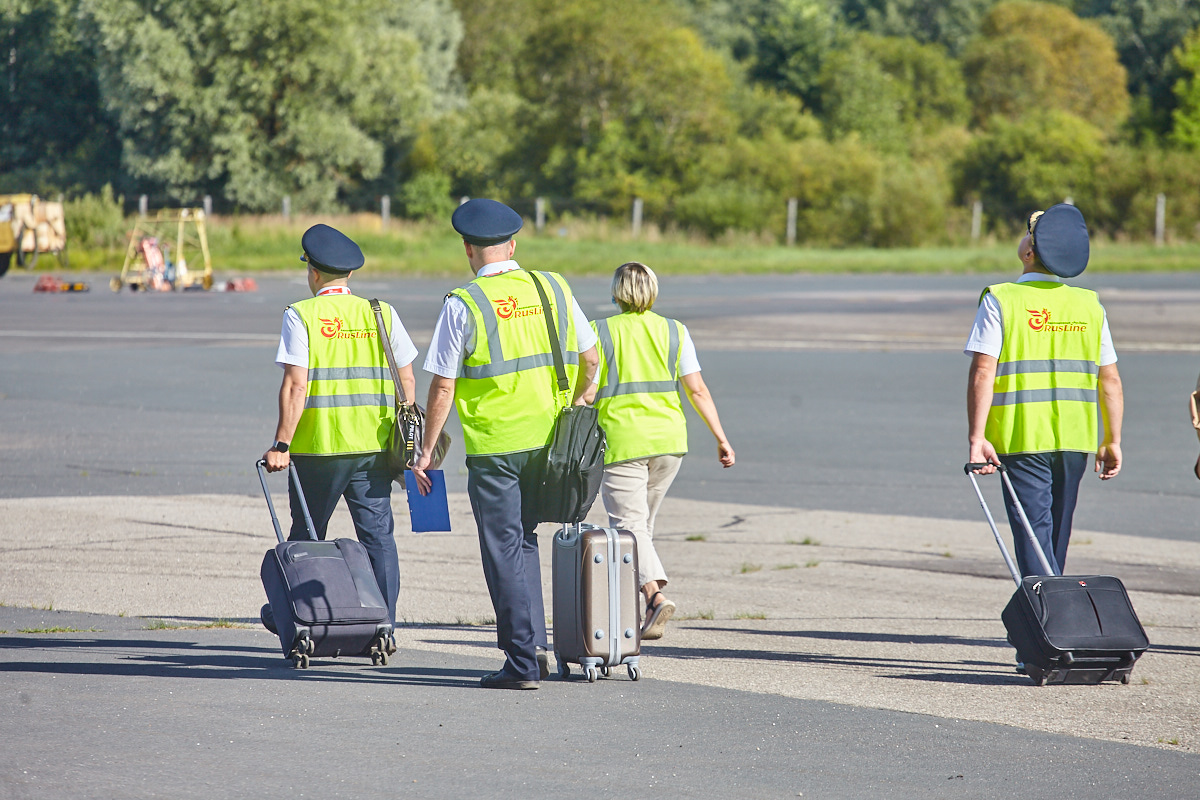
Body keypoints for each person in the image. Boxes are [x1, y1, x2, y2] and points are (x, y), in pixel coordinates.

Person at [411, 198, 598, 690]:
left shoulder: (463, 303)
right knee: (525, 539)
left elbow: (444, 386)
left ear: (468, 251)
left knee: (503, 548)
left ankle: (520, 660)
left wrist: (426, 451)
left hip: (497, 448)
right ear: (513, 245)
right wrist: (578, 401)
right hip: (551, 441)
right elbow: (593, 358)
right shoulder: (553, 286)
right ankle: (533, 645)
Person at [261, 223, 418, 644]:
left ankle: (299, 617)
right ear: (349, 275)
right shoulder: (380, 311)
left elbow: (297, 384)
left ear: (312, 272)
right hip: (374, 448)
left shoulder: (302, 314)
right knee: (378, 538)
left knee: (309, 537)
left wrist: (281, 444)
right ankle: (384, 625)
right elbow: (406, 377)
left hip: (321, 448)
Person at [966, 204, 1123, 578]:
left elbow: (983, 370)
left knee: (1033, 533)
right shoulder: (1089, 304)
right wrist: (1112, 439)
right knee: (1056, 534)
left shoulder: (1000, 299)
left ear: (1029, 251)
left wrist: (976, 437)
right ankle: (1056, 612)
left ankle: (1045, 617)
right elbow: (1111, 381)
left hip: (1021, 437)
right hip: (1076, 438)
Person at [591, 262, 734, 640]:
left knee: (628, 528)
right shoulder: (675, 331)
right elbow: (697, 389)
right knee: (643, 529)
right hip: (669, 442)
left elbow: (586, 391)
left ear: (616, 292)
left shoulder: (599, 332)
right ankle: (637, 617)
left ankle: (654, 597)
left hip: (623, 442)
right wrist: (721, 437)